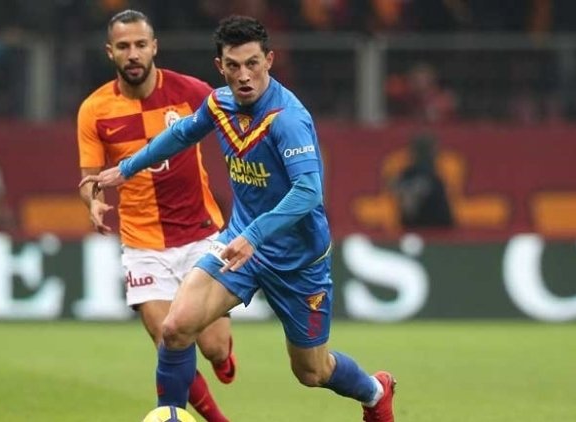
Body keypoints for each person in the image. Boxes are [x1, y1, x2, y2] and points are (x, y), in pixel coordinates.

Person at [81, 15, 397, 422]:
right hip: (238, 245)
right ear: (220, 66)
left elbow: (308, 192)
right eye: (233, 66)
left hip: (297, 261)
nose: (244, 76)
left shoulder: (288, 119)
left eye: (252, 64)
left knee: (312, 372)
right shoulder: (220, 103)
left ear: (269, 60)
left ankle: (375, 392)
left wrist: (254, 235)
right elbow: (181, 134)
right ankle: (170, 415)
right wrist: (126, 169)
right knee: (175, 329)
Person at [76, 10, 235, 422]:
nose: (133, 54)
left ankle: (222, 358)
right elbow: (89, 179)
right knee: (171, 341)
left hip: (201, 234)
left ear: (154, 47)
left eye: (140, 45)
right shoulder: (94, 110)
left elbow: (237, 125)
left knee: (215, 346)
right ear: (110, 52)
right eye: (123, 46)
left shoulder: (191, 92)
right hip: (143, 243)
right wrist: (93, 201)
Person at [392, 134, 454, 228]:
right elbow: (409, 209)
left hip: (422, 228)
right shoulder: (429, 178)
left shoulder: (407, 175)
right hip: (433, 228)